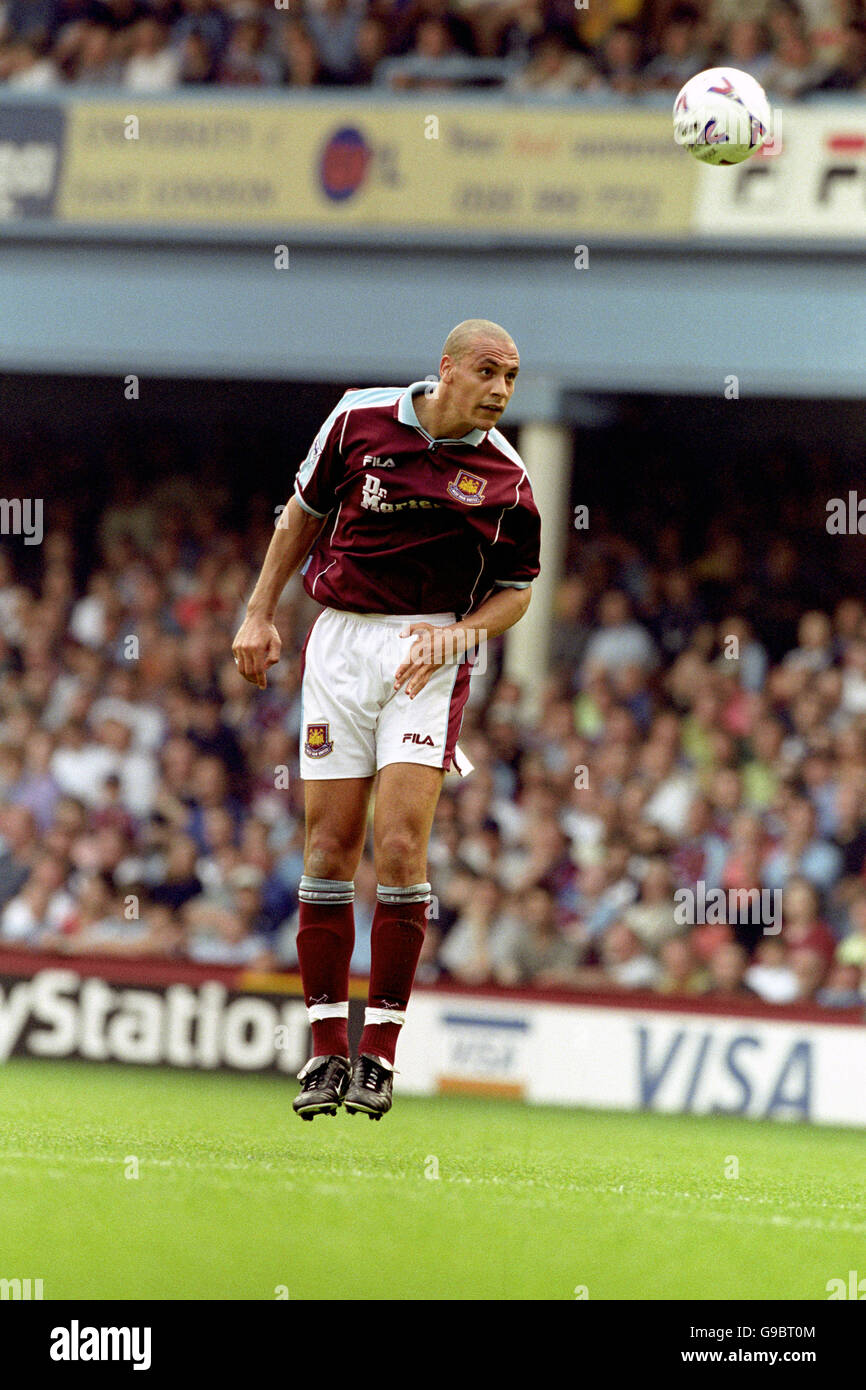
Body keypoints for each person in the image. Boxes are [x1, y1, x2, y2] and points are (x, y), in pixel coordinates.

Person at [232, 319, 540, 1119]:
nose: (502, 390)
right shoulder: (355, 421)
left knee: (400, 846)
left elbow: (518, 591)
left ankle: (382, 1054)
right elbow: (298, 519)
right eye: (488, 372)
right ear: (445, 370)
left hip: (429, 652)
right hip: (337, 646)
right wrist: (259, 613)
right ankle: (327, 1052)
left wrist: (459, 636)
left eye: (512, 377)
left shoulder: (506, 480)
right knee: (328, 846)